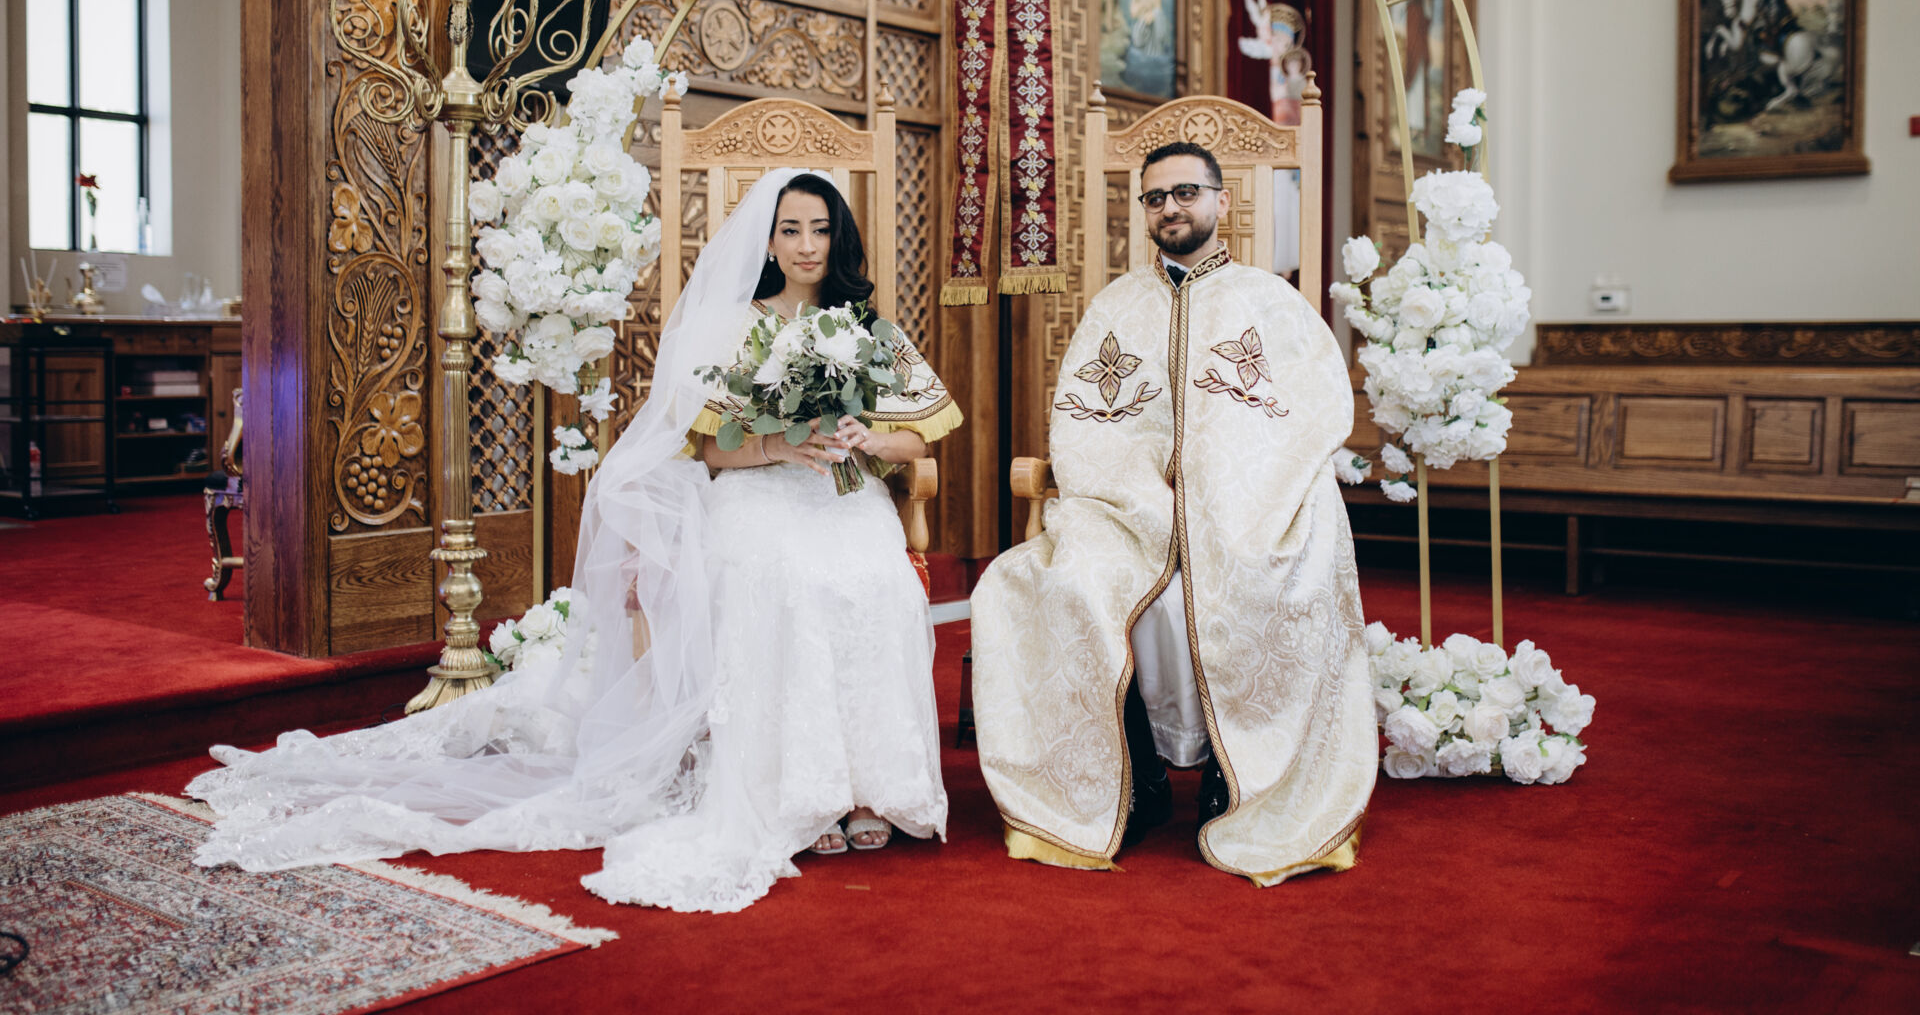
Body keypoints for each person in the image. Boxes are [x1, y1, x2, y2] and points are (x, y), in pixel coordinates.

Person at [187, 167, 961, 913]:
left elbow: (918, 440)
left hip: (842, 494)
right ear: (766, 240)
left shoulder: (868, 330)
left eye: (820, 229)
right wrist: (777, 445)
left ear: (838, 237)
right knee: (781, 575)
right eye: (790, 229)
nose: (806, 245)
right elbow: (709, 449)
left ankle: (874, 786)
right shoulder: (731, 327)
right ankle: (803, 791)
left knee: (877, 579)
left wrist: (869, 439)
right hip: (758, 492)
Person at [971, 141, 1375, 885]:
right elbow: (1081, 428)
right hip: (1128, 516)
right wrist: (1143, 497)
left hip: (1253, 514)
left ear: (1221, 200)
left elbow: (1314, 416)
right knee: (1058, 585)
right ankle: (1138, 783)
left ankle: (1236, 778)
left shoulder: (1272, 302)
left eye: (1186, 192)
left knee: (1266, 580)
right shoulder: (1115, 306)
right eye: (1155, 197)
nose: (1171, 208)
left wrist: (1235, 496)